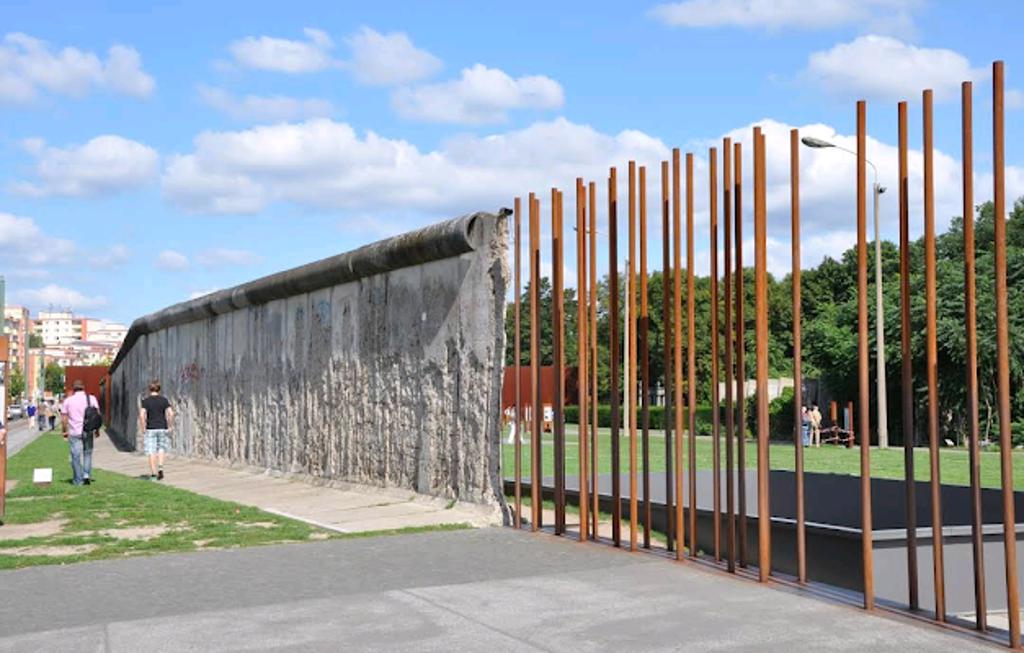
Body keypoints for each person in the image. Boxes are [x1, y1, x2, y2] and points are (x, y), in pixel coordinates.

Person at [62, 380, 100, 486]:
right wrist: (97, 429)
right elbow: (97, 415)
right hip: (88, 430)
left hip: (74, 432)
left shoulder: (68, 401)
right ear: (83, 387)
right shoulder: (91, 399)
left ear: (73, 388)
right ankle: (86, 475)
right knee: (87, 453)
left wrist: (64, 431)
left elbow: (64, 418)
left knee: (75, 456)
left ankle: (78, 480)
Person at [139, 380, 173, 481]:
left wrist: (143, 427)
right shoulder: (164, 400)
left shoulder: (146, 401)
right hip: (162, 427)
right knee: (161, 448)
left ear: (150, 389)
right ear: (159, 389)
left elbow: (142, 415)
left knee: (151, 451)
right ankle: (160, 467)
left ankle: (154, 474)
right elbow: (171, 413)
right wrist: (170, 425)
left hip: (151, 428)